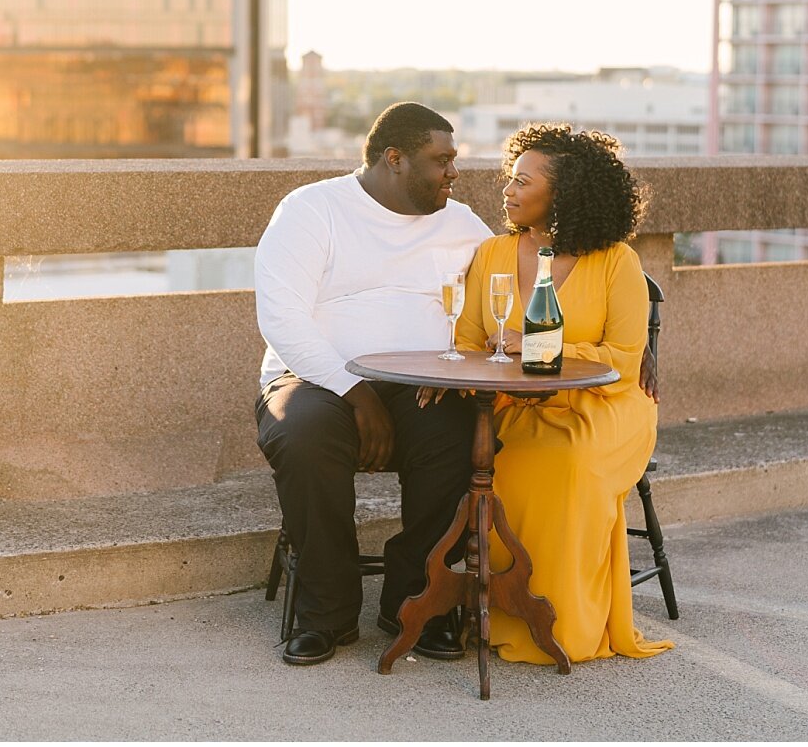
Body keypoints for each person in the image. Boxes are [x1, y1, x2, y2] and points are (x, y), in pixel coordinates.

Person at [254, 102, 492, 666]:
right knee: (304, 438)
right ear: (396, 159)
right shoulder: (313, 210)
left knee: (465, 439)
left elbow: (506, 289)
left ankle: (418, 601)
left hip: (422, 383)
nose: (454, 173)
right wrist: (353, 391)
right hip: (312, 377)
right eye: (443, 160)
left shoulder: (460, 223)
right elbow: (282, 317)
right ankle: (325, 612)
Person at [448, 122, 673, 665]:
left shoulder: (617, 261)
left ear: (563, 193)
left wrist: (538, 347)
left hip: (606, 403)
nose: (508, 190)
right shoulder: (492, 255)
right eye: (511, 177)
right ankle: (497, 610)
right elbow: (470, 341)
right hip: (515, 402)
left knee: (568, 460)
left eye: (523, 181)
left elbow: (622, 358)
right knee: (503, 460)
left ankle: (563, 624)